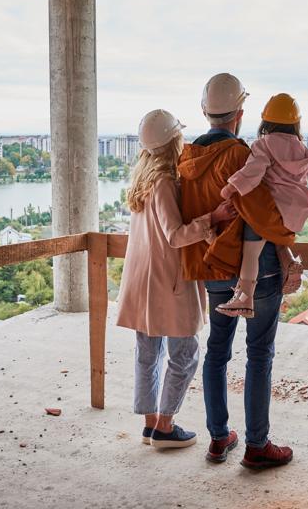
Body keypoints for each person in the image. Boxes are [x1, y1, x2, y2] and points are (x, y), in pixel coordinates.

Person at [177, 73, 296, 470]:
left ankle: (217, 438)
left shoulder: (187, 158)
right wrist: (289, 234)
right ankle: (256, 445)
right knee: (259, 355)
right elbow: (263, 214)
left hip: (213, 268)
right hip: (255, 272)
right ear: (240, 113)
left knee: (216, 352)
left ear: (204, 112)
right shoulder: (241, 154)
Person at [116, 109, 237, 450]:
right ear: (173, 141)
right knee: (185, 354)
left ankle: (150, 424)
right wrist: (213, 216)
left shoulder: (141, 180)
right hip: (166, 280)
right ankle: (166, 427)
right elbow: (175, 235)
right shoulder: (166, 182)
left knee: (147, 353)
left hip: (141, 280)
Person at [215, 93, 308, 318]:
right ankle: (288, 259)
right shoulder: (302, 150)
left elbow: (252, 172)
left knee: (251, 249)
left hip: (270, 212)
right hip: (294, 215)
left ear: (265, 121)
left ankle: (245, 298)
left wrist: (230, 188)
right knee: (274, 235)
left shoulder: (264, 144)